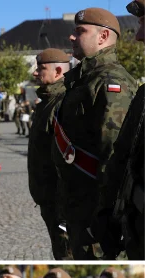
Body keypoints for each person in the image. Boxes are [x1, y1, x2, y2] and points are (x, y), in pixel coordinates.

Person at [52, 7, 136, 260]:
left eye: (80, 31)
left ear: (102, 37)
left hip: (95, 215)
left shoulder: (111, 82)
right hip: (78, 207)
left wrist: (104, 217)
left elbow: (115, 156)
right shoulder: (84, 80)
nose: (72, 37)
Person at [100, 0, 145, 260]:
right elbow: (122, 157)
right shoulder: (143, 95)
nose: (138, 37)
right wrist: (107, 213)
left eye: (143, 25)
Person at [28, 48, 73, 260]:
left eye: (40, 68)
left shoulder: (63, 103)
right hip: (48, 200)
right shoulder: (46, 103)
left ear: (57, 72)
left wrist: (65, 213)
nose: (35, 73)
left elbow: (70, 161)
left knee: (67, 256)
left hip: (61, 206)